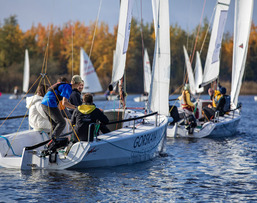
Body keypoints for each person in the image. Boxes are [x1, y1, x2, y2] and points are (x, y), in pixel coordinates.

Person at [41, 75, 82, 139]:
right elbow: (64, 102)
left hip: (44, 104)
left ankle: (52, 141)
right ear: (79, 83)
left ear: (71, 81)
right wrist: (76, 107)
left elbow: (59, 102)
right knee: (62, 122)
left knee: (55, 124)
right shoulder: (68, 87)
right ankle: (53, 140)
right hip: (50, 103)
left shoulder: (65, 85)